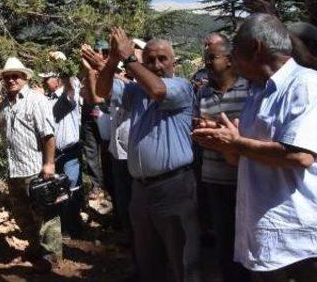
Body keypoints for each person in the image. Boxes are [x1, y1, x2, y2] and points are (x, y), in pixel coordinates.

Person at [192, 14, 317, 282]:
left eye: (235, 50)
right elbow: (242, 159)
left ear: (256, 48)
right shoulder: (257, 93)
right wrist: (224, 142)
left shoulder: (306, 84)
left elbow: (300, 154)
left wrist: (236, 142)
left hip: (299, 243)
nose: (232, 58)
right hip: (265, 239)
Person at [82, 28, 201, 282]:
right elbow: (102, 91)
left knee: (183, 261)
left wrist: (130, 59)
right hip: (141, 190)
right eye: (150, 60)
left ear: (174, 63)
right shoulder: (136, 92)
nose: (156, 65)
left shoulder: (180, 87)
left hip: (174, 187)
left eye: (162, 59)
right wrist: (113, 60)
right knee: (149, 261)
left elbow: (158, 91)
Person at [0, 57, 61, 273]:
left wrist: (48, 164)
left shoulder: (36, 100)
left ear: (24, 77)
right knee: (22, 214)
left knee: (45, 214)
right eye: (7, 77)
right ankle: (35, 247)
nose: (10, 80)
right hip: (14, 169)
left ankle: (51, 255)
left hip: (34, 168)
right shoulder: (4, 103)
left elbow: (48, 134)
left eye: (15, 76)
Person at [193, 33, 250, 282]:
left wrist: (219, 131)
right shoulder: (203, 93)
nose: (207, 63)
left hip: (246, 178)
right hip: (214, 179)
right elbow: (197, 129)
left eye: (212, 57)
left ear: (229, 60)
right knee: (225, 242)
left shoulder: (250, 88)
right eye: (206, 58)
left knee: (249, 241)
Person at [39, 71, 83, 239]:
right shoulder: (46, 99)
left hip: (69, 151)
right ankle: (61, 227)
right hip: (53, 154)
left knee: (72, 189)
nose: (44, 82)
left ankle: (74, 227)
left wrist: (65, 73)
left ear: (57, 80)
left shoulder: (67, 96)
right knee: (56, 192)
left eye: (47, 79)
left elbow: (70, 91)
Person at [79, 39, 108, 200]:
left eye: (104, 52)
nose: (101, 54)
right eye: (98, 51)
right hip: (89, 112)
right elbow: (82, 91)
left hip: (104, 112)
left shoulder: (111, 69)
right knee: (90, 150)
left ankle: (108, 185)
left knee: (106, 150)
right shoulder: (86, 69)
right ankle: (96, 185)